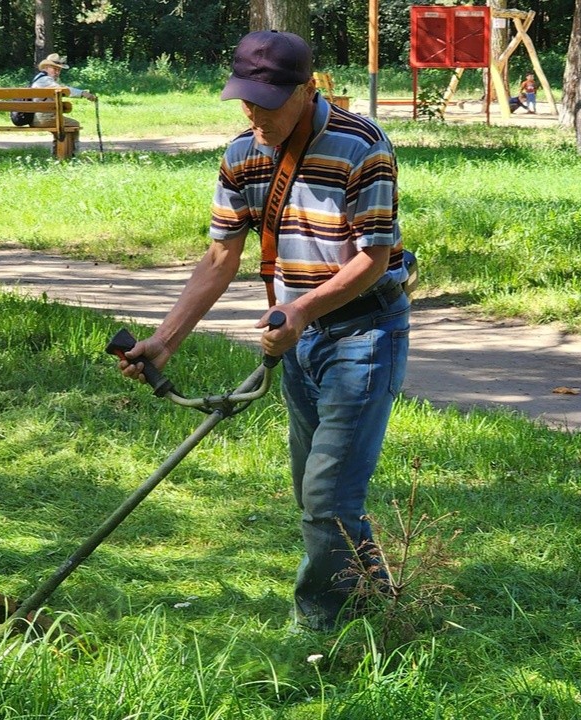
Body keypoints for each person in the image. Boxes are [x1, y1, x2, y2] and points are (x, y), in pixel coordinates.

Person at [118, 30, 410, 632]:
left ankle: (319, 631)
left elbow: (373, 258)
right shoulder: (241, 155)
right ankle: (380, 600)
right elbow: (220, 258)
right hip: (299, 341)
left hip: (364, 333)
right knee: (315, 494)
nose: (255, 114)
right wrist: (165, 341)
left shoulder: (363, 148)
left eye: (268, 102)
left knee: (328, 497)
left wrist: (301, 309)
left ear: (307, 90)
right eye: (245, 100)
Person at [29, 53, 96, 147]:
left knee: (61, 127)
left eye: (59, 70)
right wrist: (83, 93)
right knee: (74, 124)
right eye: (54, 69)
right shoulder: (45, 80)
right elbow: (63, 89)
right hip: (43, 118)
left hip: (37, 118)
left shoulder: (40, 79)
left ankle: (58, 152)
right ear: (46, 68)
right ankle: (72, 152)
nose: (57, 72)